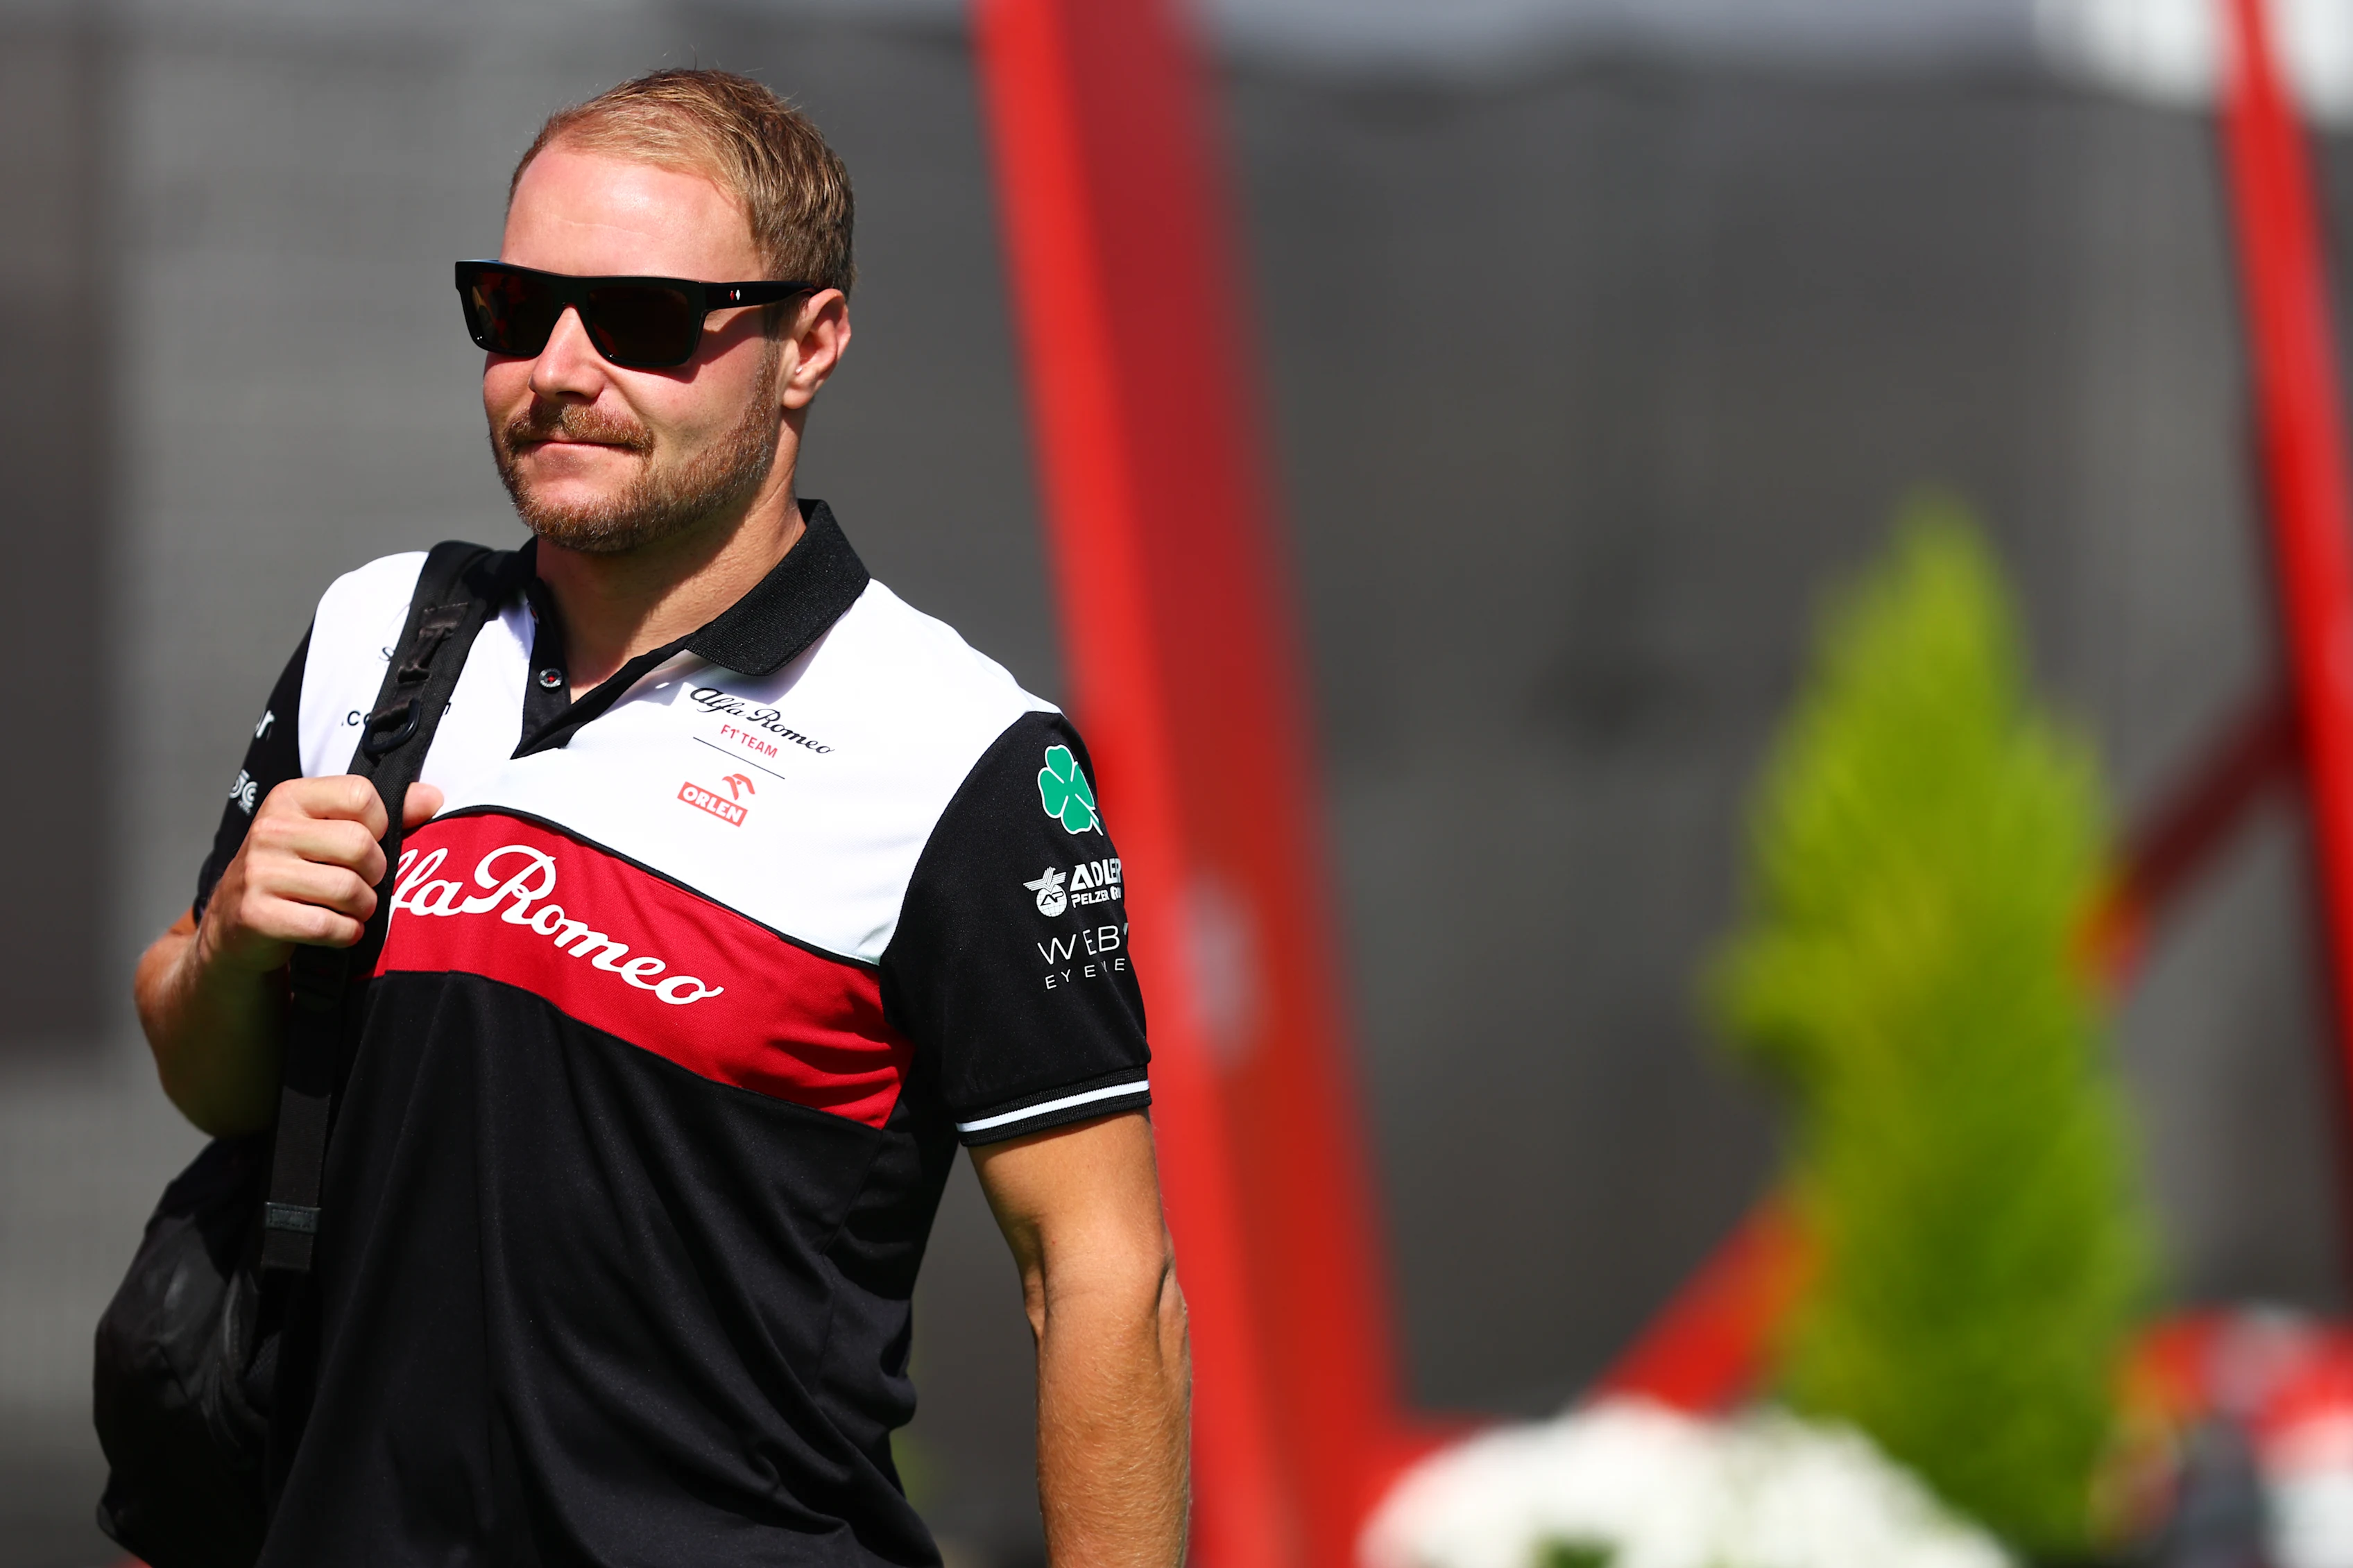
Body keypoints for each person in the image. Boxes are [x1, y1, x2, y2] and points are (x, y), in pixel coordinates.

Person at [132, 67, 1187, 1568]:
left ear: (810, 343)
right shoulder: (379, 630)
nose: (558, 369)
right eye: (514, 308)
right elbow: (205, 1070)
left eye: (639, 319)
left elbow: (1103, 1278)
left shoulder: (966, 753)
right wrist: (233, 942)